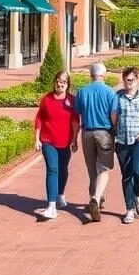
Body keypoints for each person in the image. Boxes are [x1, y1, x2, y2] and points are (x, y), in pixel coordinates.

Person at [32, 70, 80, 220]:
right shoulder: (46, 99)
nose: (60, 84)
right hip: (48, 141)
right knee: (52, 169)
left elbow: (75, 122)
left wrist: (75, 140)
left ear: (68, 85)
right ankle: (51, 206)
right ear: (54, 82)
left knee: (63, 169)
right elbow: (39, 118)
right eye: (58, 81)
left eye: (64, 82)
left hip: (65, 141)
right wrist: (37, 139)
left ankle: (60, 195)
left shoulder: (72, 101)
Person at [75, 61, 119, 222]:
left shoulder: (82, 92)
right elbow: (114, 115)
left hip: (87, 132)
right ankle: (96, 197)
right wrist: (115, 129)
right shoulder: (110, 93)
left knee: (91, 168)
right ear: (104, 75)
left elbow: (76, 115)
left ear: (91, 75)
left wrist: (74, 137)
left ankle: (96, 199)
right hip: (104, 132)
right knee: (104, 169)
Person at [115, 67, 139, 225]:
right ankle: (129, 210)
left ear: (136, 80)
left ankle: (138, 194)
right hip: (122, 141)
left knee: (138, 172)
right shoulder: (117, 96)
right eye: (125, 80)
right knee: (126, 176)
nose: (127, 83)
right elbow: (113, 116)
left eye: (130, 80)